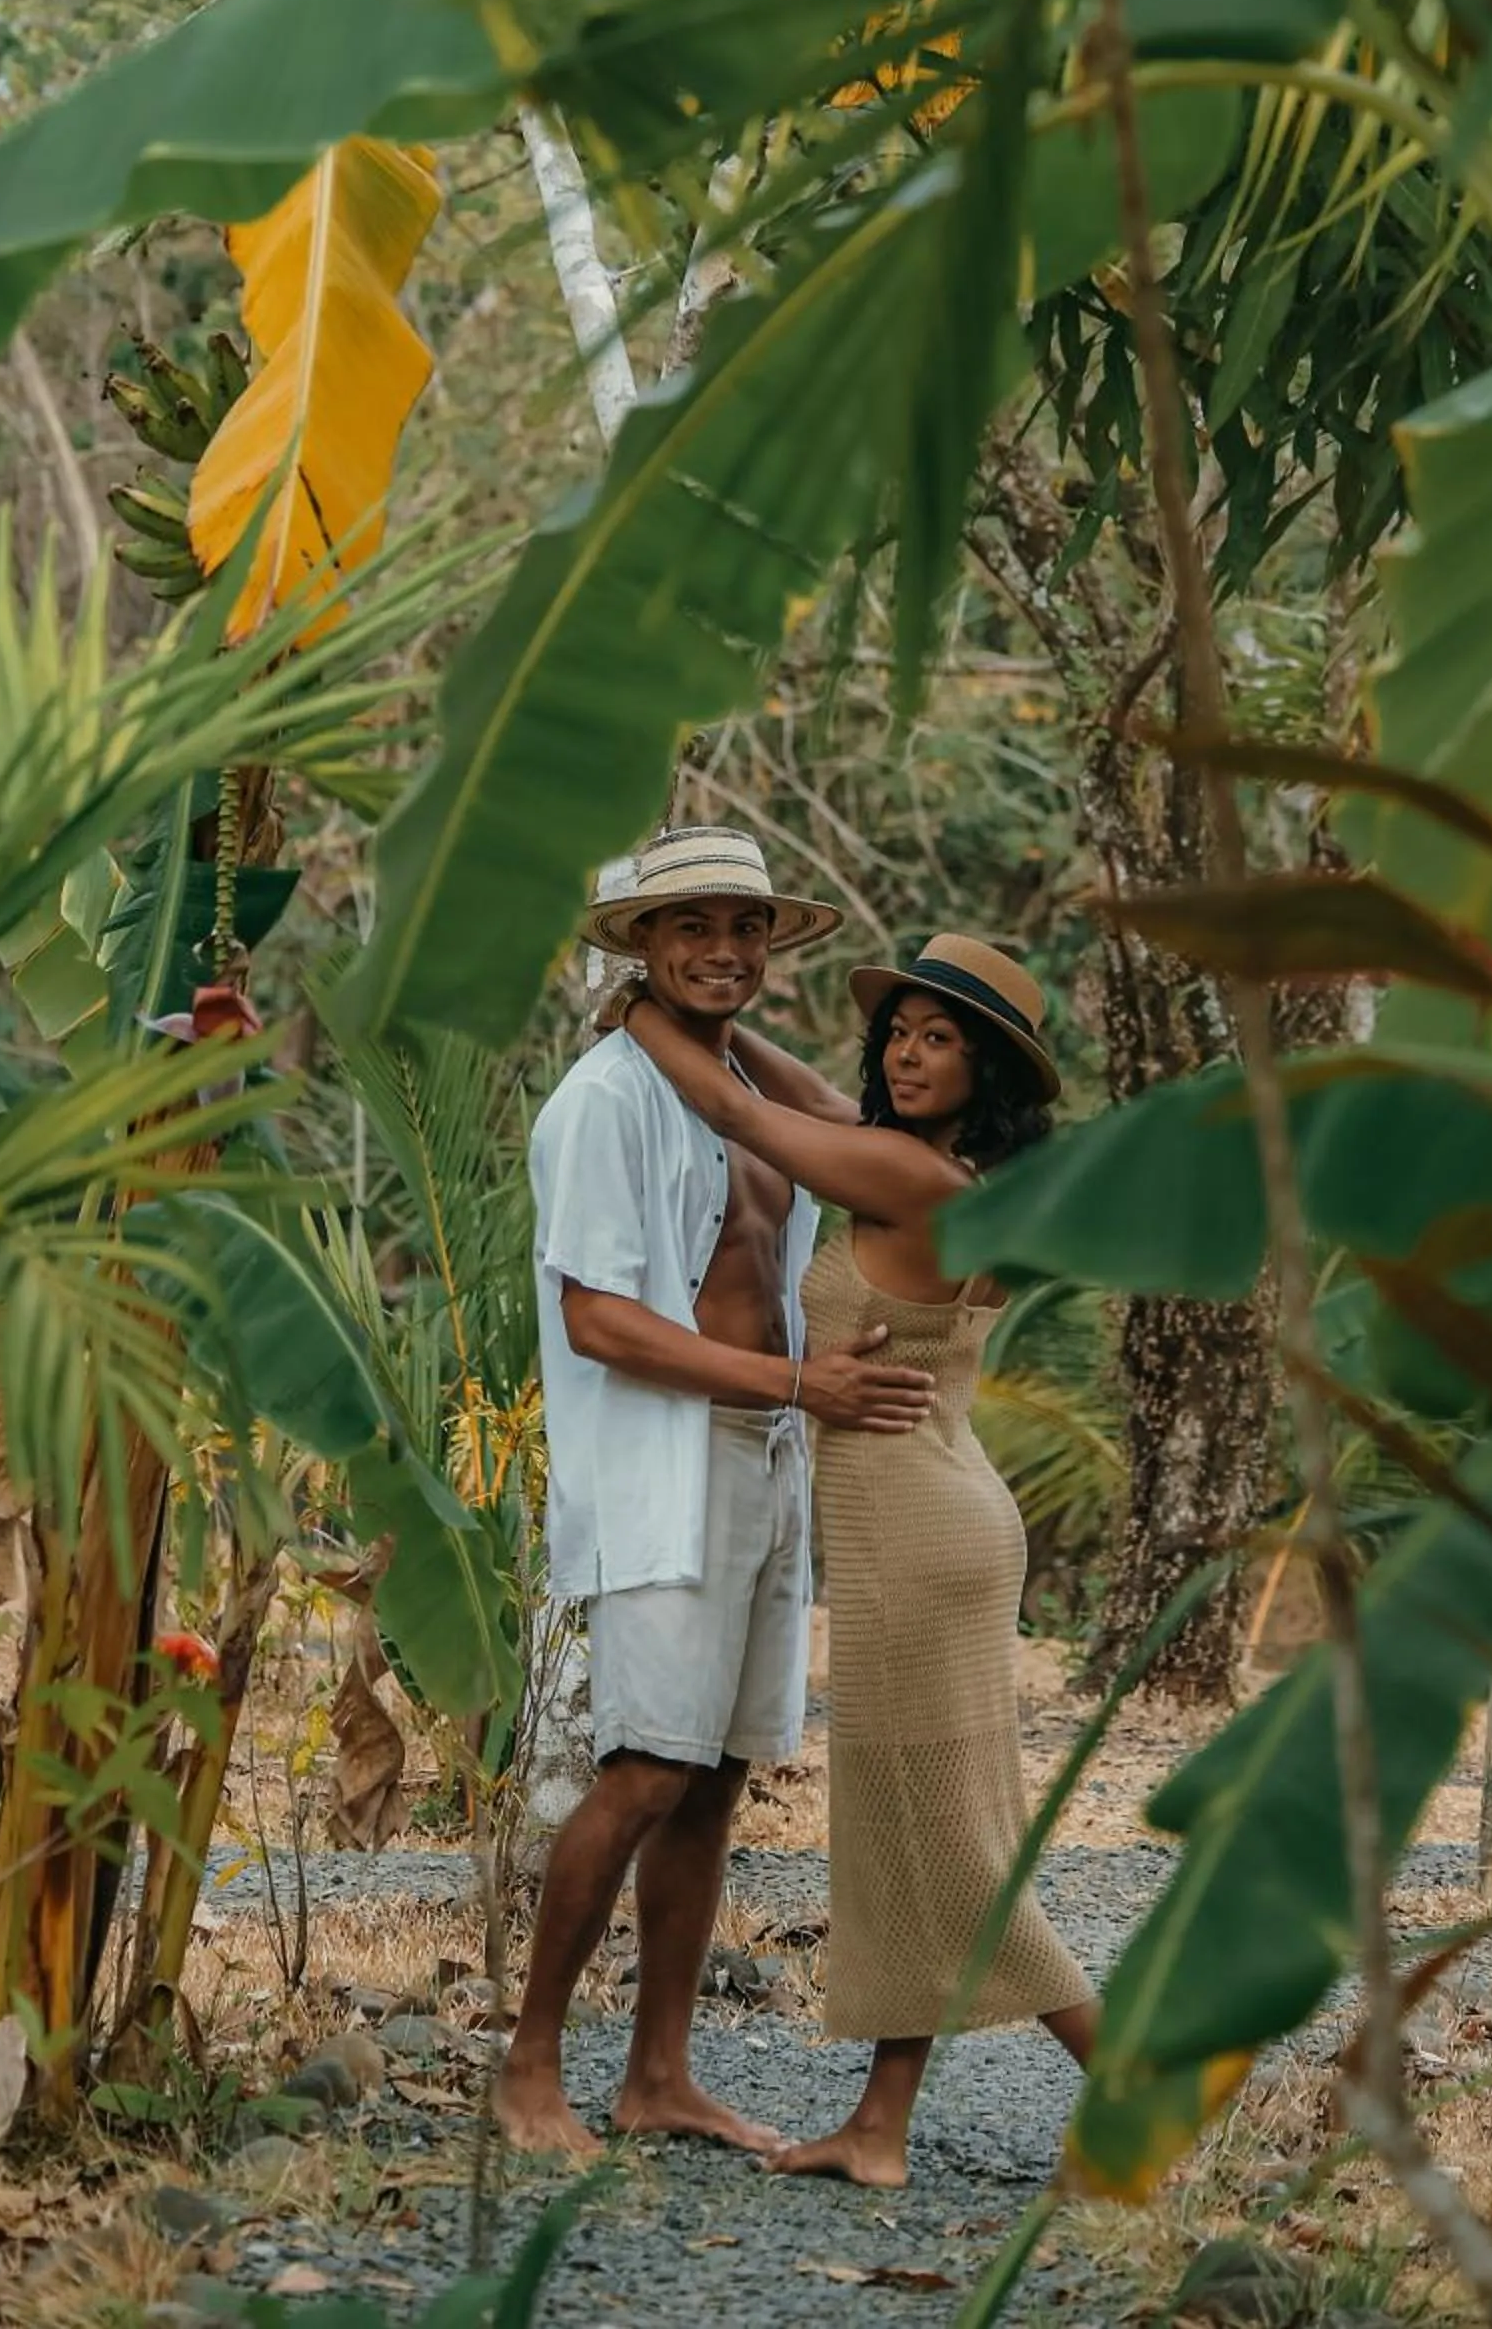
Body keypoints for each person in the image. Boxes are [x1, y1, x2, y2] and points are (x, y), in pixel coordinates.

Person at [494, 828, 941, 2161]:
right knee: (643, 1769)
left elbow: (850, 1133)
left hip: (768, 1454)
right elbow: (598, 1322)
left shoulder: (742, 1085)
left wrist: (800, 1396)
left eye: (746, 927)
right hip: (665, 1464)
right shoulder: (604, 1102)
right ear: (640, 941)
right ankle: (529, 2070)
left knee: (713, 1779)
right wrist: (801, 1383)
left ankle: (660, 2075)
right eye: (690, 925)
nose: (725, 950)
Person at [623, 931, 1096, 2188]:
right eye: (900, 1032)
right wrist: (722, 1022)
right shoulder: (942, 1170)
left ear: (989, 1072)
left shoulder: (907, 1176)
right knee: (908, 1832)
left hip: (913, 1542)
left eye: (943, 1039)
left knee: (951, 1849)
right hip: (944, 1518)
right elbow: (811, 1099)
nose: (907, 1053)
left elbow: (737, 1111)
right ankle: (878, 2128)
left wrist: (647, 1006)